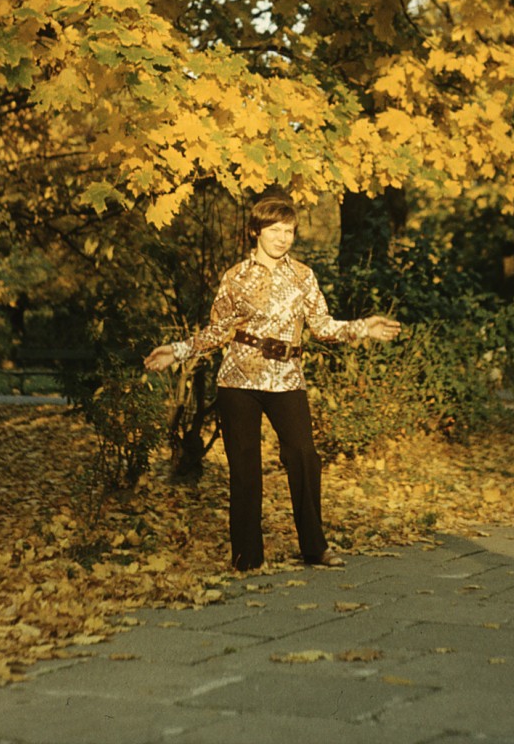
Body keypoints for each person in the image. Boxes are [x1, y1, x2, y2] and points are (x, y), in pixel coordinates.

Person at [144, 195, 401, 572]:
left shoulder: (303, 276)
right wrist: (179, 350)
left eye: (289, 231)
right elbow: (218, 331)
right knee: (244, 467)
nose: (283, 238)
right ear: (255, 232)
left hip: (287, 378)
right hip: (239, 379)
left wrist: (363, 327)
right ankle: (247, 557)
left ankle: (314, 548)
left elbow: (323, 327)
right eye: (275, 230)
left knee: (304, 457)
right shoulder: (236, 277)